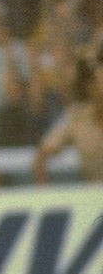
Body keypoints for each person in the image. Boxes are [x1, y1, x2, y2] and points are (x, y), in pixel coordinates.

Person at [33, 42, 103, 184]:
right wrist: (44, 197)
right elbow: (42, 154)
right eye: (97, 81)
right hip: (94, 197)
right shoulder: (75, 117)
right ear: (88, 87)